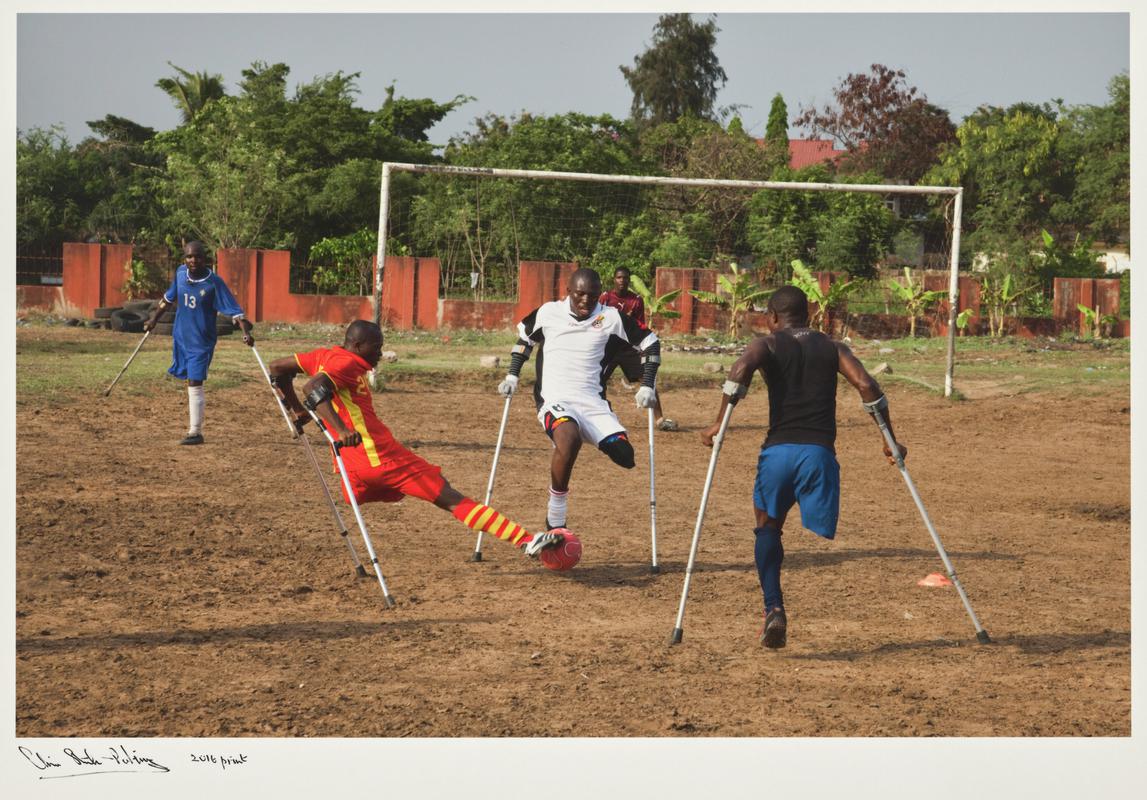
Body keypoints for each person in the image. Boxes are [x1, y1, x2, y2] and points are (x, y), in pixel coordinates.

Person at [700, 285, 905, 649]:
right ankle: (775, 609)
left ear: (772, 318)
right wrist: (889, 437)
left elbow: (740, 369)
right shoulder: (832, 347)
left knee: (767, 527)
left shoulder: (767, 344)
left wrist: (719, 422)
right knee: (786, 522)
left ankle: (773, 608)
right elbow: (866, 384)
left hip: (779, 454)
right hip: (819, 456)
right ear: (808, 315)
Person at [267, 320, 561, 560]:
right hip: (381, 457)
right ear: (357, 346)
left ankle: (368, 486)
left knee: (361, 495)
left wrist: (294, 409)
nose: (381, 353)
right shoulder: (347, 364)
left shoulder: (324, 355)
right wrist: (341, 429)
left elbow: (278, 370)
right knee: (448, 496)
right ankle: (525, 540)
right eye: (376, 347)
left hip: (352, 466)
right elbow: (314, 388)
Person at [498, 268, 662, 532]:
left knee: (625, 457)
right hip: (554, 399)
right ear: (568, 291)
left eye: (593, 295)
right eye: (580, 294)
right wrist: (512, 376)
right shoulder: (549, 313)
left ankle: (585, 432)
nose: (586, 300)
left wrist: (647, 385)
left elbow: (651, 344)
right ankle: (556, 518)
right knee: (569, 438)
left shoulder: (611, 318)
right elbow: (524, 340)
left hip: (592, 403)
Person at [144, 241, 254, 445]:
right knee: (188, 380)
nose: (193, 260)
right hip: (181, 337)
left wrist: (245, 332)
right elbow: (168, 299)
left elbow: (235, 310)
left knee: (195, 381)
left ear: (206, 259)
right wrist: (154, 319)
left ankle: (195, 432)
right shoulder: (180, 274)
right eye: (188, 257)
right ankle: (194, 429)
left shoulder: (214, 283)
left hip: (201, 342)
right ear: (184, 258)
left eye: (197, 257)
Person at [599, 266, 678, 432]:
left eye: (625, 278)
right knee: (596, 381)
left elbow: (639, 323)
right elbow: (597, 319)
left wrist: (643, 345)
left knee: (647, 377)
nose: (622, 280)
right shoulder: (605, 298)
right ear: (614, 279)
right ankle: (598, 416)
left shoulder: (636, 300)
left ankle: (660, 419)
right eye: (619, 277)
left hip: (628, 348)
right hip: (607, 347)